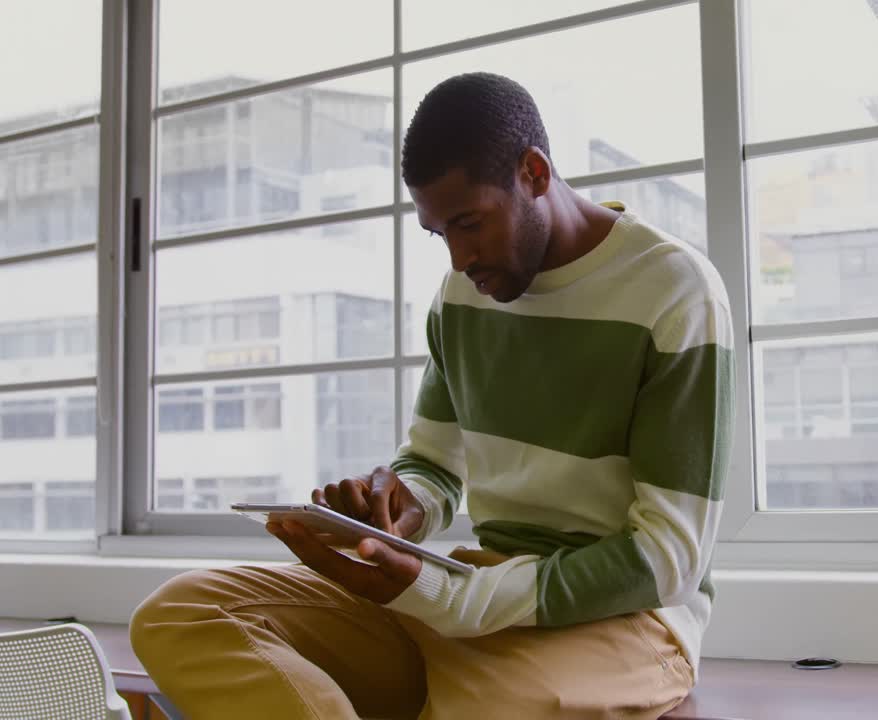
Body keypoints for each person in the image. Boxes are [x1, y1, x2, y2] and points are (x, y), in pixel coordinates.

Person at [129, 71, 734, 720]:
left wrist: (461, 600)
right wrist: (398, 506)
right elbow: (434, 464)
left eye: (469, 223)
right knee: (181, 614)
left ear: (533, 172)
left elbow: (669, 555)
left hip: (625, 624)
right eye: (438, 232)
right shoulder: (463, 295)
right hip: (470, 591)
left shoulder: (674, 290)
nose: (458, 258)